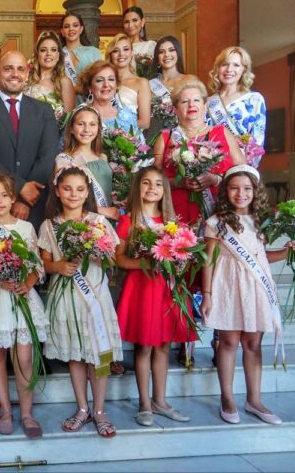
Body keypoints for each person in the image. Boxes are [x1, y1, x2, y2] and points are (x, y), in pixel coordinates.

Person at [202, 165, 295, 425]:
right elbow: (208, 261)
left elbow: (261, 258)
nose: (241, 194)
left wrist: (291, 250)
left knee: (253, 344)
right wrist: (207, 294)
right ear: (226, 191)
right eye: (234, 188)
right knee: (228, 342)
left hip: (256, 287)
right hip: (228, 286)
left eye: (247, 188)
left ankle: (254, 400)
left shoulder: (262, 222)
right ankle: (227, 398)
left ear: (255, 191)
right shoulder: (216, 223)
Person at [39, 166, 121, 438]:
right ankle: (83, 408)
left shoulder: (98, 222)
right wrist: (58, 266)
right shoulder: (49, 225)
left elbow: (113, 258)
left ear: (87, 193)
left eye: (79, 189)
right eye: (67, 189)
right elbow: (44, 263)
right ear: (57, 191)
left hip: (94, 296)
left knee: (97, 354)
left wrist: (97, 252)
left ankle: (100, 410)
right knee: (76, 355)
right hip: (66, 298)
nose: (73, 194)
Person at [0, 171, 48, 439]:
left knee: (24, 358)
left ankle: (27, 413)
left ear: (13, 198)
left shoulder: (25, 228)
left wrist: (27, 282)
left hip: (21, 297)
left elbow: (36, 265)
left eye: (4, 195)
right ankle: (5, 409)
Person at [114, 166, 192, 427]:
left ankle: (161, 400)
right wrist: (144, 264)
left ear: (164, 190)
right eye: (146, 183)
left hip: (167, 289)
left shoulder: (172, 224)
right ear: (137, 187)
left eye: (158, 184)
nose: (152, 188)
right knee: (144, 346)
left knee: (163, 345)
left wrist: (181, 260)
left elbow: (182, 254)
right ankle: (144, 404)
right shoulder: (129, 221)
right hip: (143, 288)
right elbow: (118, 259)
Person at [0, 50, 60, 228]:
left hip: (34, 205)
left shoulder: (44, 111)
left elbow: (47, 156)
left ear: (27, 73)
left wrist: (26, 199)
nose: (15, 74)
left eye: (20, 69)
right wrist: (20, 187)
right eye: (8, 69)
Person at [153, 80, 245, 226]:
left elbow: (243, 172)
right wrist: (180, 182)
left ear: (205, 105)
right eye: (184, 101)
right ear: (175, 109)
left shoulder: (222, 132)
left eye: (196, 100)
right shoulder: (165, 137)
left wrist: (215, 179)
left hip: (219, 208)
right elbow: (154, 179)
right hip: (178, 211)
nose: (191, 105)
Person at [54, 106, 118, 221]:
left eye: (92, 124)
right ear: (71, 128)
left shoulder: (103, 157)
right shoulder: (63, 160)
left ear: (98, 128)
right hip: (82, 221)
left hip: (108, 219)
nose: (87, 130)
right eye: (81, 124)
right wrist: (102, 211)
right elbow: (67, 199)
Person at [206, 46, 267, 167]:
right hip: (211, 167)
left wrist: (245, 169)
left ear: (244, 70)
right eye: (224, 64)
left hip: (240, 167)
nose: (229, 69)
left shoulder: (254, 99)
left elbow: (257, 141)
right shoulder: (207, 102)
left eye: (236, 65)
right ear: (218, 68)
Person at [148, 36, 198, 140]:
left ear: (178, 53)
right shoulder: (149, 84)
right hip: (154, 138)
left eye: (171, 50)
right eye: (161, 52)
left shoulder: (190, 80)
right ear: (157, 58)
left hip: (183, 139)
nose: (167, 55)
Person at [24, 31, 75, 128]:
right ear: (37, 54)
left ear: (58, 55)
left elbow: (68, 121)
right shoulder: (27, 79)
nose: (48, 54)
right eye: (43, 50)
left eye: (53, 50)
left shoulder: (64, 82)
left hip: (52, 134)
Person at [77, 60, 140, 136]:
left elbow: (139, 142)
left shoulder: (129, 115)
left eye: (111, 79)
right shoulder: (80, 115)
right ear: (89, 87)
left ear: (116, 84)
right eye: (99, 80)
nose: (106, 85)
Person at [106, 34, 152, 129]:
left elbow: (145, 123)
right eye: (116, 51)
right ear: (110, 55)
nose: (121, 54)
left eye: (126, 49)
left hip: (130, 136)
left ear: (131, 53)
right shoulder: (104, 82)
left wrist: (116, 131)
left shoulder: (141, 83)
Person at [59, 13, 102, 84]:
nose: (71, 29)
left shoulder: (93, 52)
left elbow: (100, 78)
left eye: (75, 25)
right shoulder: (58, 54)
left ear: (81, 29)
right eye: (66, 26)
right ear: (62, 32)